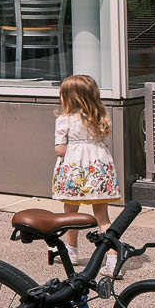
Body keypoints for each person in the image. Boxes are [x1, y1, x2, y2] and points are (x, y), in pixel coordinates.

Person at [50, 72, 122, 255]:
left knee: (70, 215)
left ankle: (71, 251)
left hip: (75, 175)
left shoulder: (63, 120)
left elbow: (60, 150)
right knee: (103, 218)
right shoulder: (99, 117)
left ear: (68, 97)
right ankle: (113, 258)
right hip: (98, 173)